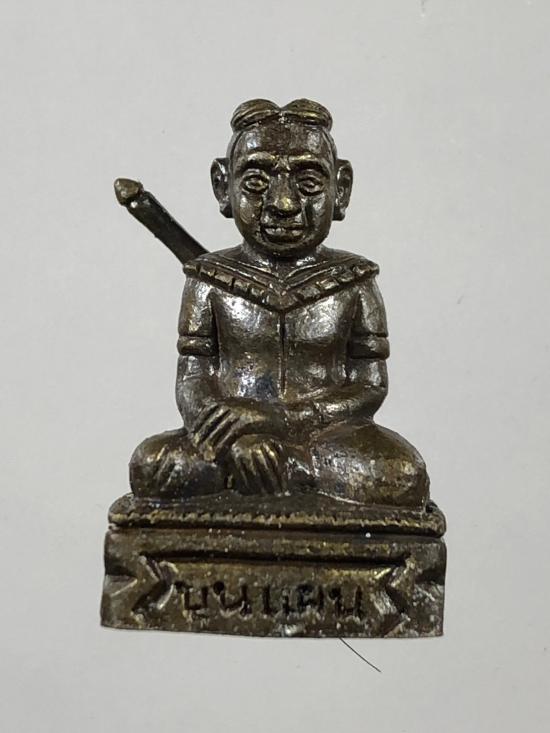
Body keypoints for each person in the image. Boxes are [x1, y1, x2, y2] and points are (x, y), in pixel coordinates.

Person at [129, 99, 428, 507]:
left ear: (341, 189)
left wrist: (282, 419)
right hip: (234, 439)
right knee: (154, 464)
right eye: (256, 182)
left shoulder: (354, 280)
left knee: (401, 473)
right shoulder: (208, 280)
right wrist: (232, 438)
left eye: (309, 184)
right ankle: (274, 471)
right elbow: (192, 380)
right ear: (222, 186)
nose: (283, 203)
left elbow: (369, 385)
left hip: (328, 437)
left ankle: (288, 469)